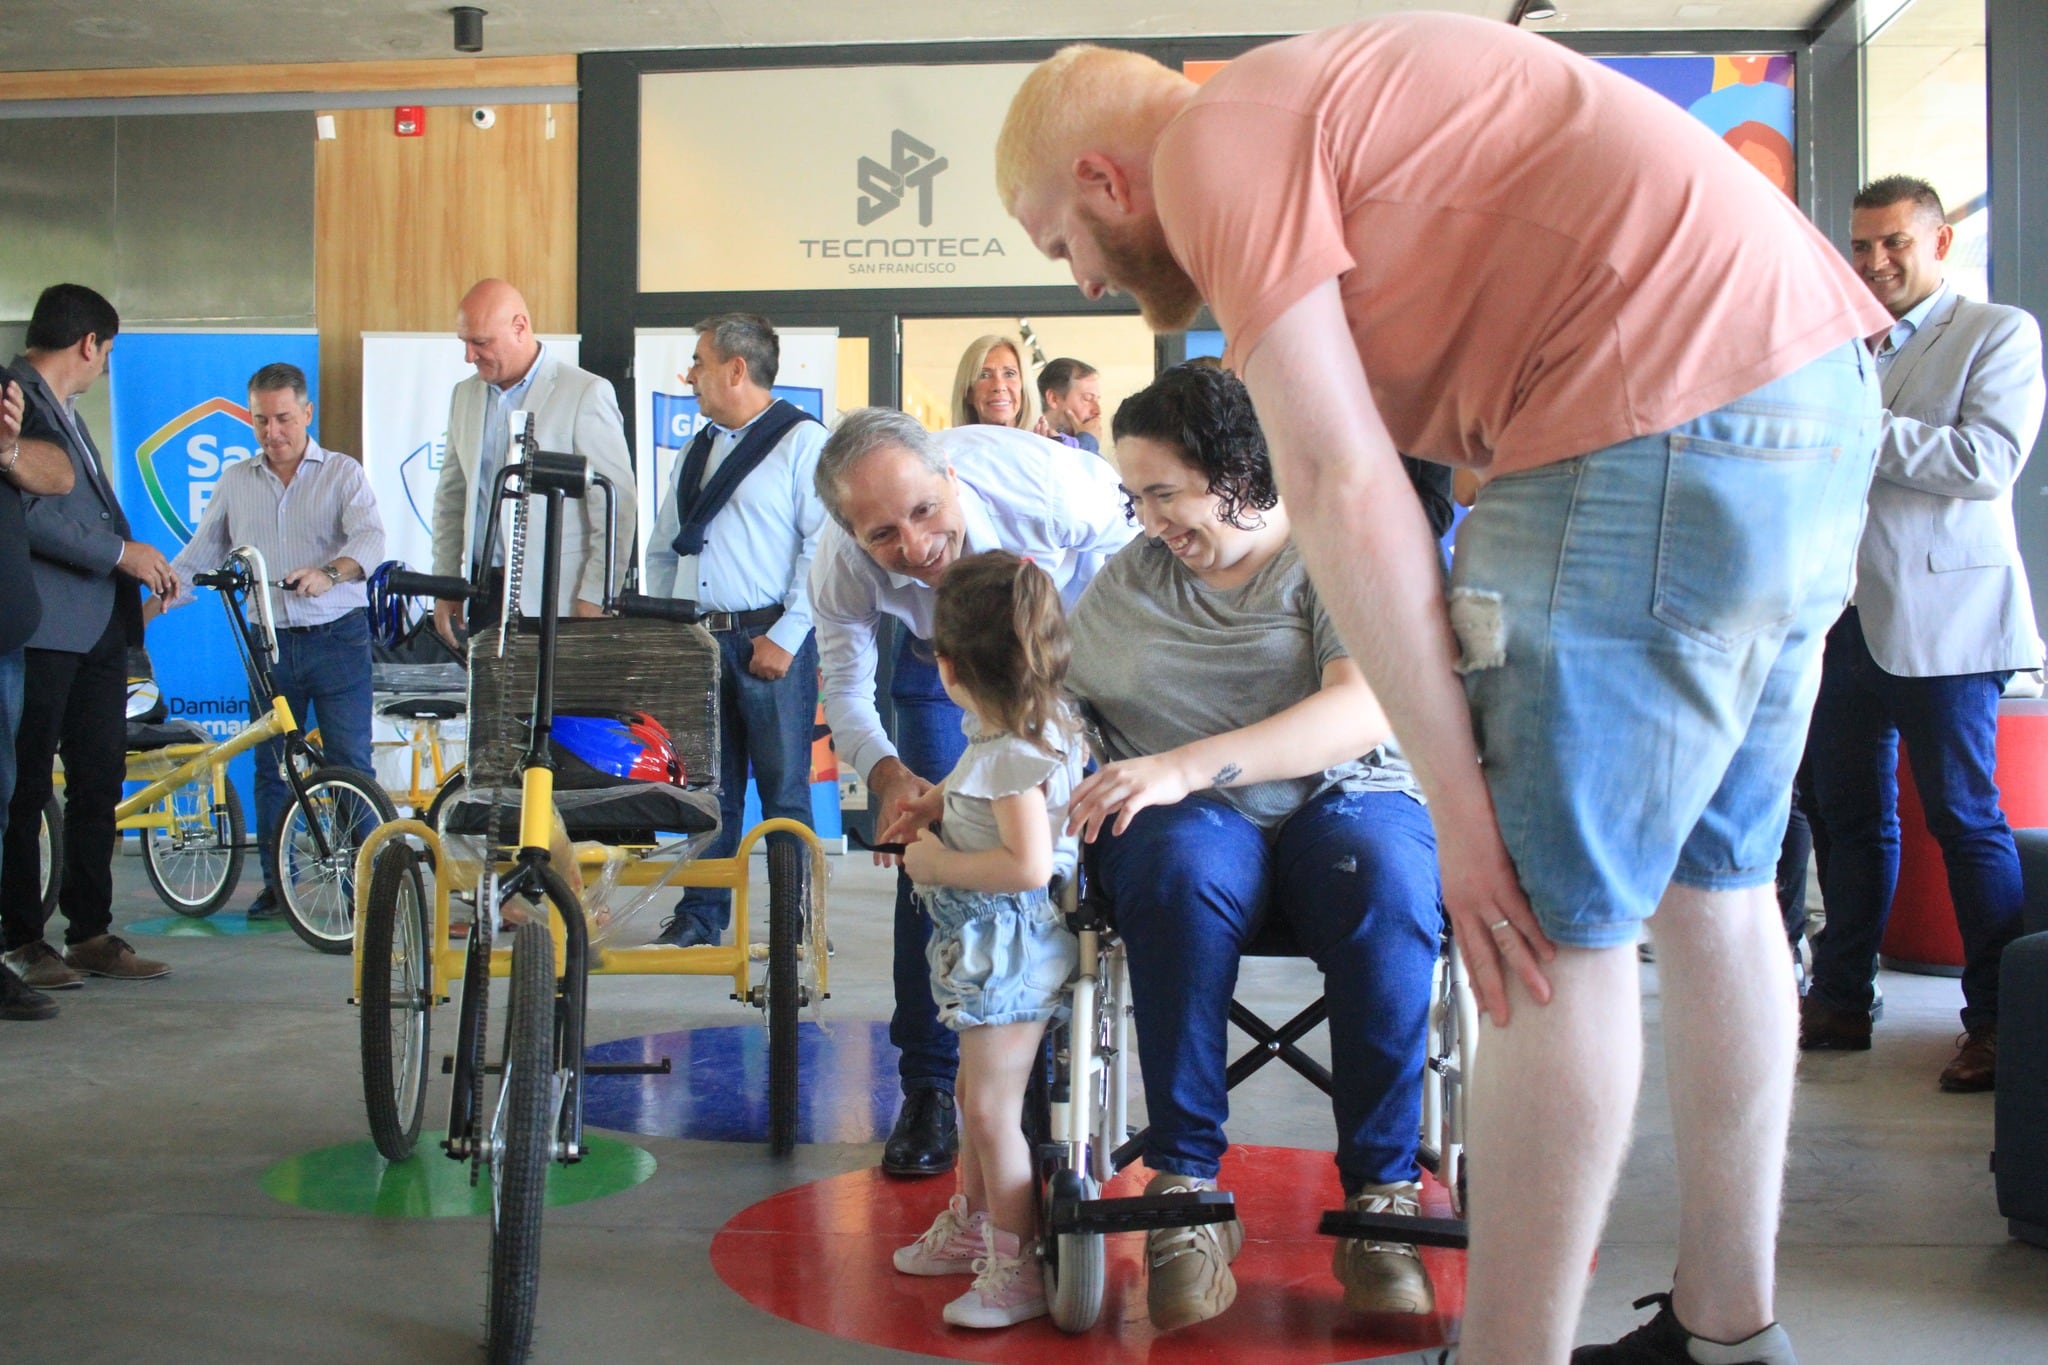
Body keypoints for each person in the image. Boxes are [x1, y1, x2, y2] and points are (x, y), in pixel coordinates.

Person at [997, 17, 1887, 1363]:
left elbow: (1344, 489)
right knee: (1724, 885)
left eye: (1058, 241)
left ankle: (1509, 1350)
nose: (1078, 286)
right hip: (1809, 389)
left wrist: (1465, 827)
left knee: (1538, 926)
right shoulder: (1317, 100)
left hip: (1645, 407)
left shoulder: (1215, 148)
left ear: (1110, 182)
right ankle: (1726, 1325)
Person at [1065, 365, 1443, 1328]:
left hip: (1343, 797)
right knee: (1171, 866)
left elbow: (1357, 709)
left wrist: (1185, 764)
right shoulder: (1133, 578)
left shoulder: (1332, 551)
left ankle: (1381, 1206)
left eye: (1164, 493)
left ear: (1235, 470)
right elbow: (1057, 693)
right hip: (1203, 829)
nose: (1149, 519)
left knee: (1386, 878)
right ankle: (1185, 1193)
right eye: (1135, 497)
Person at [811, 408, 1131, 1178]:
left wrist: (1070, 680)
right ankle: (927, 1084)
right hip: (935, 653)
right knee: (930, 847)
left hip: (1060, 636)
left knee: (1065, 848)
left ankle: (1049, 1066)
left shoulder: (1047, 489)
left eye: (924, 512)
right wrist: (891, 777)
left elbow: (1130, 556)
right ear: (853, 536)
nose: (915, 547)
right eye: (883, 534)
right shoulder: (842, 564)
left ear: (950, 479)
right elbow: (848, 690)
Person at [1799, 176, 2045, 1093]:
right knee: (1846, 820)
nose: (1874, 262)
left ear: (1941, 244)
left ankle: (1998, 1022)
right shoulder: (1839, 344)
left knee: (1964, 818)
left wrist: (1857, 426)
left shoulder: (1997, 333)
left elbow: (1986, 464)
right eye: (1861, 247)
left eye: (1894, 243)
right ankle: (1840, 999)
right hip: (1841, 620)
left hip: (1946, 621)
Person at [880, 550, 1085, 1329]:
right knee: (973, 1095)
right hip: (993, 954)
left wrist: (935, 860)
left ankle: (1015, 1265)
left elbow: (1027, 862)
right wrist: (932, 804)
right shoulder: (1015, 725)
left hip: (1011, 956)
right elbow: (970, 780)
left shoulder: (1010, 753)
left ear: (949, 664)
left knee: (994, 1110)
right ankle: (972, 1223)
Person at [154, 363, 385, 920]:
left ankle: (369, 887)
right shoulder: (237, 481)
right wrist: (143, 611)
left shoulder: (342, 473)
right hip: (268, 647)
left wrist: (330, 572)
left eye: (283, 418)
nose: (272, 431)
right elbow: (199, 556)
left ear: (306, 414)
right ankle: (280, 886)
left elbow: (372, 539)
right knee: (272, 766)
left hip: (338, 640)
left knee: (350, 763)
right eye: (260, 420)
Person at [2, 284, 174, 987]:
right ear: (89, 344)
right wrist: (118, 556)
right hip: (40, 623)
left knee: (99, 777)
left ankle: (91, 930)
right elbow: (30, 518)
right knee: (24, 785)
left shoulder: (67, 413)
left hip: (99, 624)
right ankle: (21, 936)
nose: (105, 364)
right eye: (106, 351)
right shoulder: (13, 398)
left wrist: (141, 570)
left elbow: (92, 514)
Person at [643, 315, 827, 948]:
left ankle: (797, 924)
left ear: (735, 369)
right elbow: (665, 546)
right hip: (698, 644)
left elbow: (822, 550)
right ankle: (700, 918)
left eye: (697, 362)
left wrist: (789, 634)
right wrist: (667, 629)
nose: (689, 376)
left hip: (767, 641)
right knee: (705, 792)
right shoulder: (699, 447)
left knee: (783, 793)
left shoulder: (803, 443)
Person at [429, 278, 634, 646]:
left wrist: (597, 594)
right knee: (490, 704)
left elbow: (615, 504)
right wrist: (446, 585)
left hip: (560, 595)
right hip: (482, 592)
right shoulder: (464, 395)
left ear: (520, 327)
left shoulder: (585, 392)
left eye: (480, 342)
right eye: (465, 342)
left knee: (557, 705)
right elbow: (451, 498)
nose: (469, 356)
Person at [0, 365, 76, 1019]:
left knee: (0, 800)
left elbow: (60, 473)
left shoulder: (6, 388)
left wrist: (8, 452)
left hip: (2, 637)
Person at [949, 335, 1036, 431]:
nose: (999, 386)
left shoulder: (1045, 445)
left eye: (1009, 374)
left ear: (1024, 388)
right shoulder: (946, 445)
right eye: (984, 375)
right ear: (968, 392)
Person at [1034, 356, 1102, 453]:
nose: (1097, 410)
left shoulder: (1076, 443)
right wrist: (1088, 440)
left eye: (1097, 400)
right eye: (1087, 398)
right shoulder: (1031, 442)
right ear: (1054, 398)